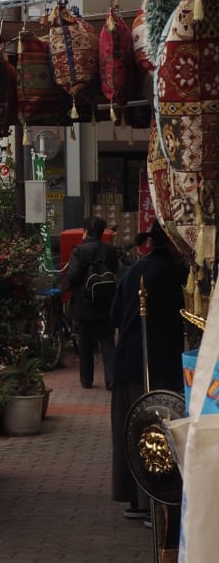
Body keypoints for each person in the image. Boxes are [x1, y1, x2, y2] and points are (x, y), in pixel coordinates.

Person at [110, 222, 188, 521]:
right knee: (154, 428)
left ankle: (134, 499)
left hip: (127, 360)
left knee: (129, 428)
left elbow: (116, 315)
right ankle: (155, 502)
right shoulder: (175, 273)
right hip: (157, 363)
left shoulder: (133, 270)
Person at [65, 216, 119, 389]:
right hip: (106, 303)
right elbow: (115, 271)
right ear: (102, 232)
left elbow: (72, 277)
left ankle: (86, 379)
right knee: (108, 342)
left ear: (86, 231)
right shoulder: (110, 250)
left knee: (86, 342)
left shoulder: (79, 251)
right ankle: (111, 378)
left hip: (85, 303)